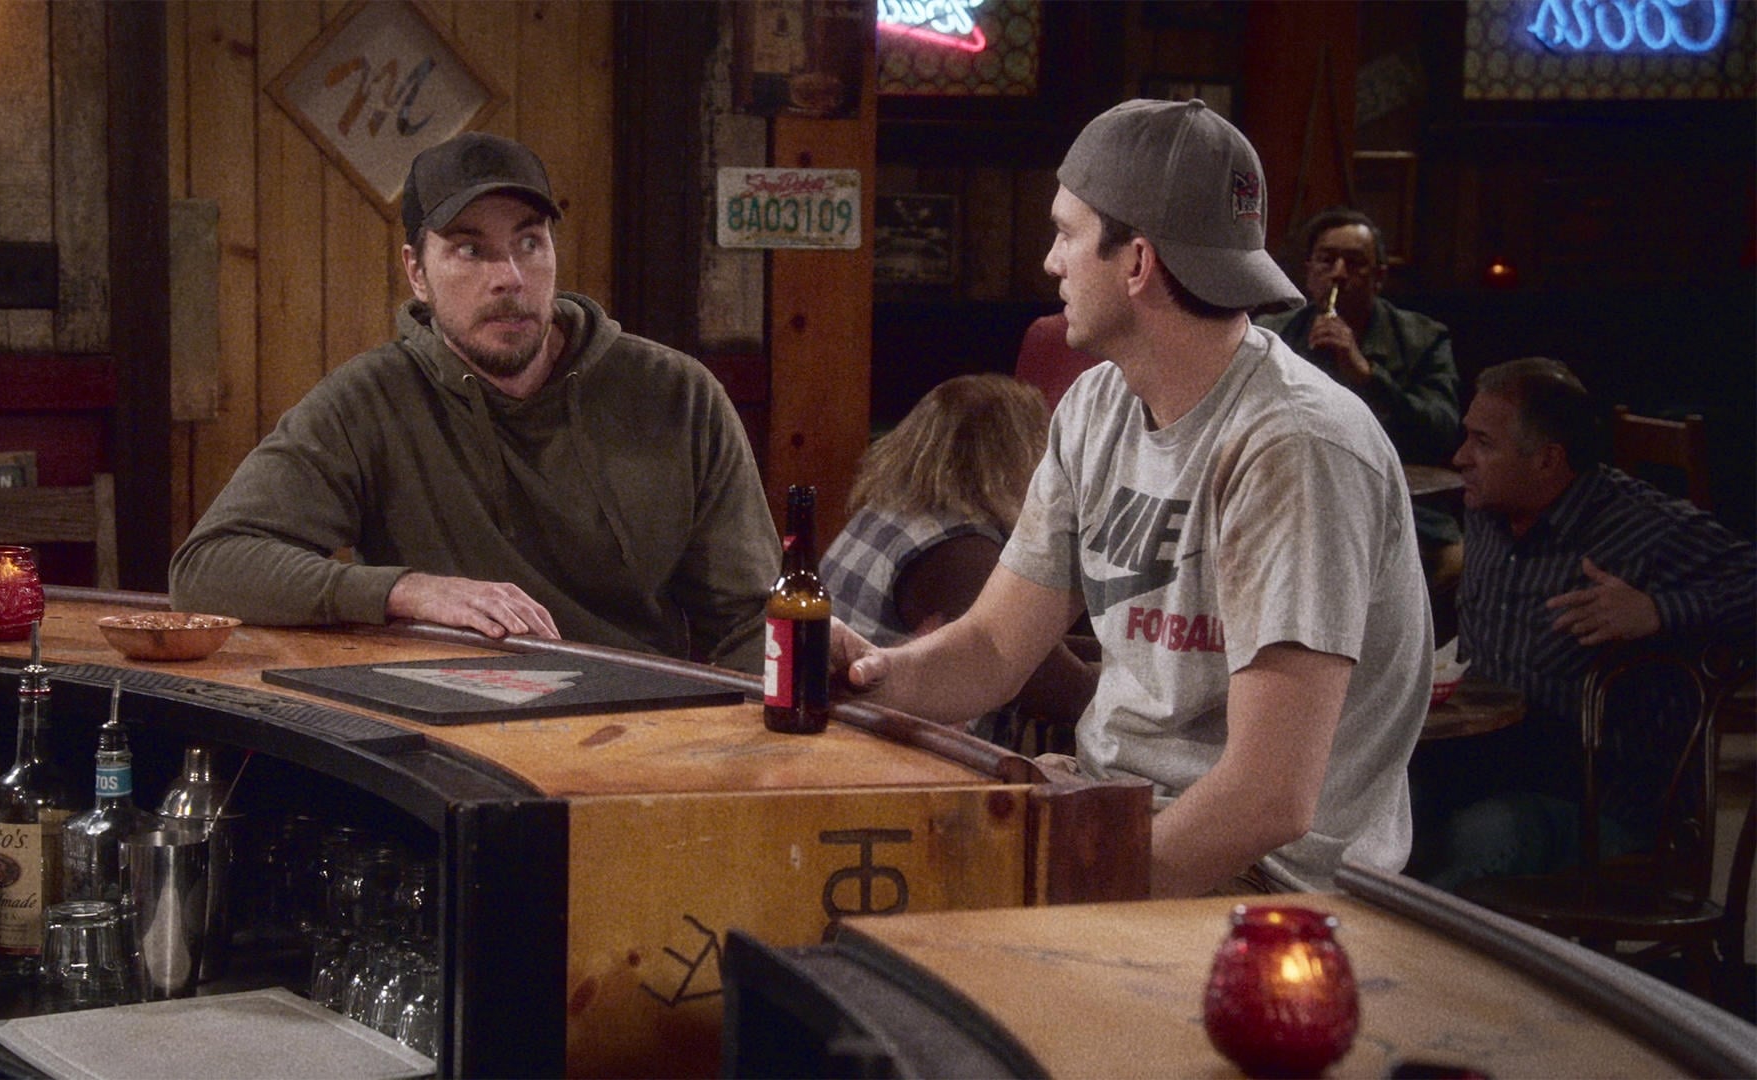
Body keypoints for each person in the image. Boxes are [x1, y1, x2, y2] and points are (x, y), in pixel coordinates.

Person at [832, 99, 1432, 897]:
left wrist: (1070, 889)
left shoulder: (1296, 446)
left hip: (1265, 886)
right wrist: (862, 674)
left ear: (1138, 261)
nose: (1052, 261)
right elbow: (994, 650)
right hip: (1118, 817)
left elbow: (1269, 799)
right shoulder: (1096, 407)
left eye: (1066, 233)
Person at [169, 132, 780, 673]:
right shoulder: (368, 401)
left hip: (642, 722)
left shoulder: (677, 395)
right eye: (470, 249)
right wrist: (408, 591)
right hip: (442, 722)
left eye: (529, 242)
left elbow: (749, 620)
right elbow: (208, 568)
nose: (509, 276)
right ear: (417, 272)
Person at [1416, 357, 1757, 890]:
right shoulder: (1486, 510)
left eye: (1483, 442)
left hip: (1607, 805)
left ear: (1548, 460)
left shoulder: (1643, 528)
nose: (1460, 458)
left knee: (1474, 840)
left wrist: (1658, 612)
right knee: (1370, 806)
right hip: (1492, 763)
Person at [820, 373, 1097, 745]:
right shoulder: (957, 552)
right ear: (1018, 456)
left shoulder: (885, 514)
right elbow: (1057, 689)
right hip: (896, 758)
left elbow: (1034, 645)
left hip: (846, 737)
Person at [1254, 208, 1463, 589]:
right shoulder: (1272, 336)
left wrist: (1368, 377)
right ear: (1308, 272)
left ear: (1379, 277)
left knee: (1452, 563)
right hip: (1296, 497)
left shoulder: (1423, 338)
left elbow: (1442, 431)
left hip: (1398, 505)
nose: (1338, 273)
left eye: (1354, 263)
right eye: (1326, 260)